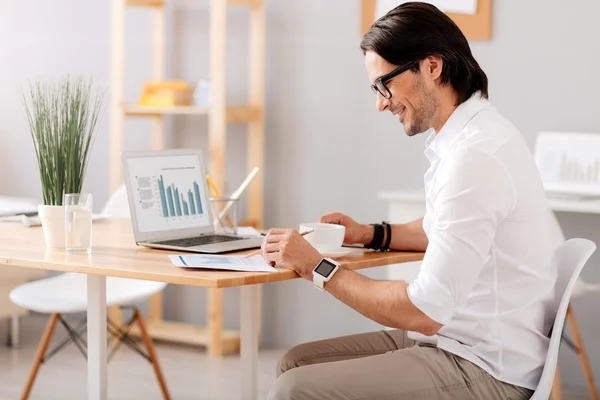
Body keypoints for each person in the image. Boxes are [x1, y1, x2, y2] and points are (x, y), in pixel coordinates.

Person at [265, 2, 556, 399]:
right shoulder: (469, 137)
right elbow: (443, 229)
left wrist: (317, 267)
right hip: (457, 339)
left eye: (385, 84)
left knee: (295, 388)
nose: (381, 103)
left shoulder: (475, 158)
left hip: (487, 365)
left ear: (431, 67)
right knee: (295, 363)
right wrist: (366, 233)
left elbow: (424, 311)